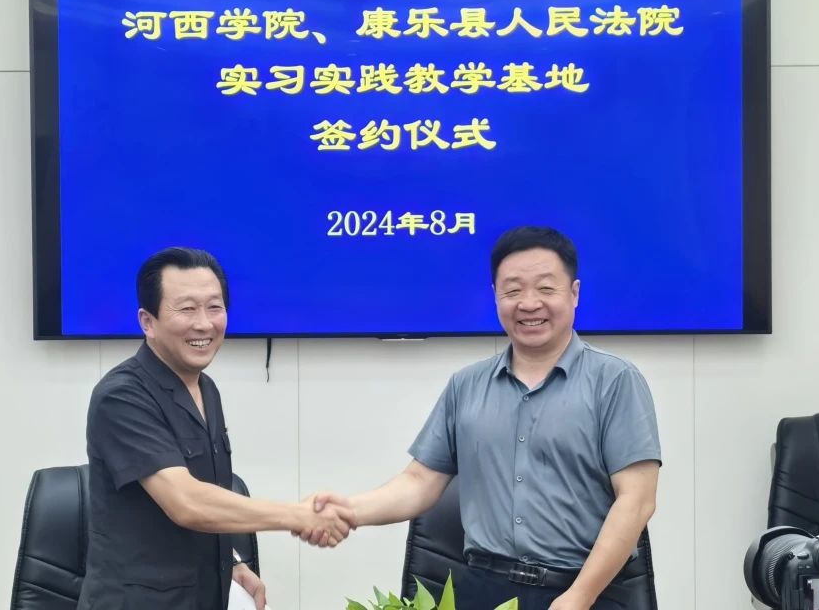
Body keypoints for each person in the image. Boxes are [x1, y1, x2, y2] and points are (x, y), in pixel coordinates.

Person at [300, 226, 661, 610]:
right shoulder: (466, 385)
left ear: (574, 293)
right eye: (513, 290)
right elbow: (420, 482)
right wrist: (348, 510)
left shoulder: (615, 381)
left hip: (586, 591)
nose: (529, 303)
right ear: (495, 296)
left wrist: (579, 596)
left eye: (545, 288)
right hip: (483, 589)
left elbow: (637, 500)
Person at [78, 247, 355, 610]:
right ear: (148, 322)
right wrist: (298, 515)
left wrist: (232, 562)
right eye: (186, 309)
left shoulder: (205, 388)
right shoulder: (121, 396)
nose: (204, 324)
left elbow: (208, 492)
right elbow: (187, 502)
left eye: (214, 307)